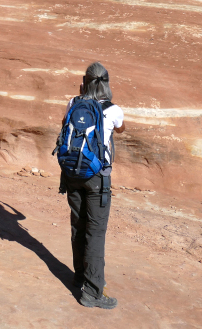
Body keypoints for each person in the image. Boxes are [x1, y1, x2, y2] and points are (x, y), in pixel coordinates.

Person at [61, 61, 125, 309]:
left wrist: (80, 94)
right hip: (97, 178)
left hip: (71, 173)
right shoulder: (113, 109)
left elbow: (65, 124)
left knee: (78, 224)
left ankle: (80, 277)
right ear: (106, 84)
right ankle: (93, 292)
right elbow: (120, 131)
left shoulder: (73, 102)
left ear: (85, 82)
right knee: (95, 232)